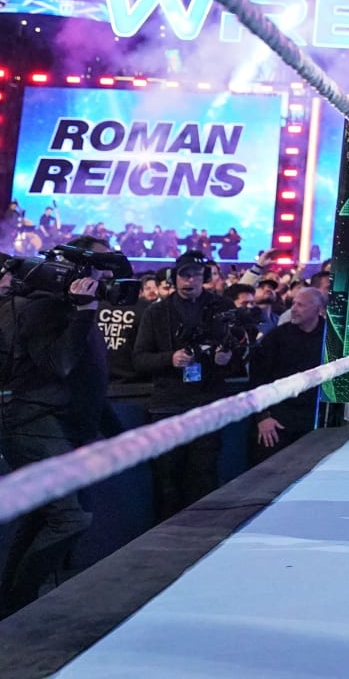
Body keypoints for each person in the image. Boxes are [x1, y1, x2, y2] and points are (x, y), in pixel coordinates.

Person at [0, 241, 109, 615]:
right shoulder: (42, 307)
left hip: (57, 423)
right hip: (28, 420)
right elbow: (59, 365)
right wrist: (83, 314)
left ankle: (12, 606)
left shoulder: (67, 308)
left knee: (42, 516)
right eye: (97, 267)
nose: (102, 277)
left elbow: (89, 377)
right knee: (68, 518)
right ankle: (17, 603)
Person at [132, 251, 236, 521]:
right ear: (174, 277)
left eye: (196, 275)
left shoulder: (222, 308)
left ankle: (203, 533)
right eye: (185, 275)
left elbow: (240, 352)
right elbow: (139, 359)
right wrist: (170, 359)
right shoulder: (156, 312)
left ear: (205, 277)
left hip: (208, 404)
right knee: (168, 479)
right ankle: (166, 533)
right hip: (169, 405)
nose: (190, 280)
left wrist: (227, 358)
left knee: (204, 474)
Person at [246, 287, 325, 465]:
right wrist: (263, 417)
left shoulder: (330, 338)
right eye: (293, 304)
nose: (294, 309)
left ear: (317, 309)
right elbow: (257, 379)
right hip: (277, 420)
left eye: (300, 305)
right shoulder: (277, 337)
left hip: (314, 420)